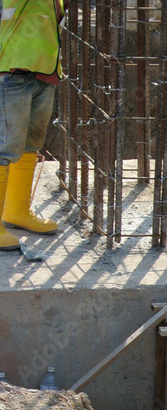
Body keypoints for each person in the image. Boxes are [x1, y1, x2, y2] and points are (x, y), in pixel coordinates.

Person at [0, 0, 65, 251]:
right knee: (5, 147)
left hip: (44, 70)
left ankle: (16, 211)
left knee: (30, 145)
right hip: (12, 69)